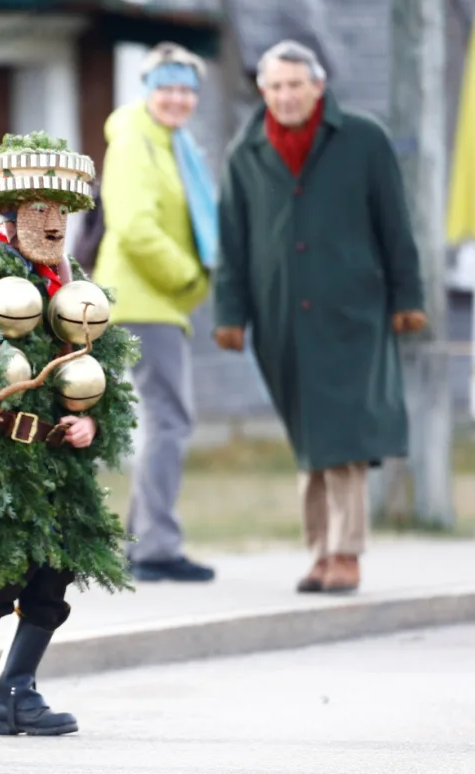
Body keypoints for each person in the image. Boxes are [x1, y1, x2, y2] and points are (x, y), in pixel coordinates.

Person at [0, 132, 138, 737]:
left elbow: (106, 366)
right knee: (2, 566)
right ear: (10, 213)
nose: (52, 222)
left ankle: (17, 693)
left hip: (58, 455)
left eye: (60, 210)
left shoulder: (77, 284)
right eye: (38, 209)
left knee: (54, 572)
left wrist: (94, 417)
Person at [212, 40, 427, 594]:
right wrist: (230, 312)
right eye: (275, 86)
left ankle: (345, 552)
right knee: (309, 435)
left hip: (353, 309)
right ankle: (320, 552)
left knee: (344, 434)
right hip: (280, 315)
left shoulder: (363, 138)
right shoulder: (246, 152)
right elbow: (232, 244)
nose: (285, 96)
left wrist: (409, 298)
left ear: (318, 87)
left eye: (294, 85)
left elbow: (396, 226)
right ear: (263, 91)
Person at [92, 42, 216, 583]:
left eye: (187, 89)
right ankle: (156, 546)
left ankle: (146, 540)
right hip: (144, 299)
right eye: (166, 87)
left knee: (163, 419)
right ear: (148, 90)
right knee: (170, 420)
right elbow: (134, 223)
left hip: (159, 300)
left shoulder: (175, 144)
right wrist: (187, 275)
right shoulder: (135, 138)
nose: (177, 98)